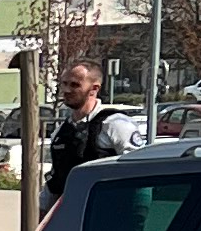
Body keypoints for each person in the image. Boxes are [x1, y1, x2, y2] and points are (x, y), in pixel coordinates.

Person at [45, 61, 140, 204]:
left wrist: (138, 216)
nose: (67, 90)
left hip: (113, 210)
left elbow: (138, 173)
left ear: (94, 89)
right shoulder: (61, 132)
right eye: (64, 84)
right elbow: (55, 182)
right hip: (75, 213)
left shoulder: (115, 124)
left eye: (75, 85)